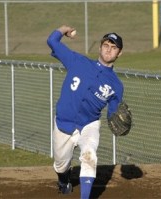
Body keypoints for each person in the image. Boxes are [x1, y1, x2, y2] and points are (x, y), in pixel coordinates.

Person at [47, 25, 124, 199]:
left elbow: (113, 113)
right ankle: (64, 180)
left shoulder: (117, 86)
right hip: (63, 122)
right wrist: (63, 29)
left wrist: (117, 121)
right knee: (61, 164)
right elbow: (51, 41)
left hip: (89, 124)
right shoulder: (77, 61)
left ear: (119, 54)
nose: (109, 50)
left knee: (90, 156)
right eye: (106, 45)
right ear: (100, 47)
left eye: (114, 48)